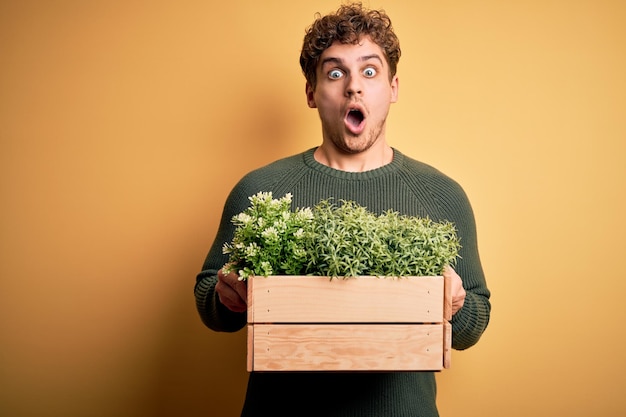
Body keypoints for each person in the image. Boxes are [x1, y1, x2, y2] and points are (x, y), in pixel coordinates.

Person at [195, 3, 491, 416]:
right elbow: (209, 298)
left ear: (392, 88)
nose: (354, 87)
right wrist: (227, 293)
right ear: (312, 93)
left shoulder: (441, 195)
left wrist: (456, 303)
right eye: (335, 73)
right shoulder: (261, 189)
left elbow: (473, 321)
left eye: (369, 71)